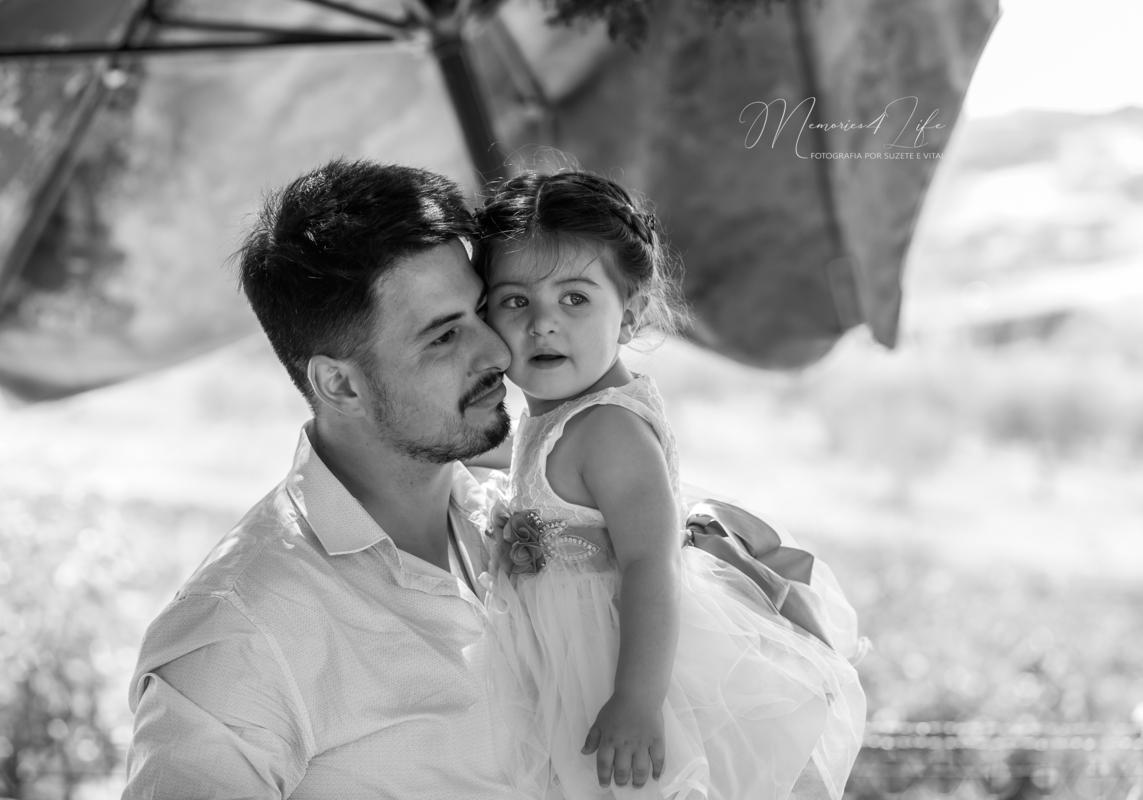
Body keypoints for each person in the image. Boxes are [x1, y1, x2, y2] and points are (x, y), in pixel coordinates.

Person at [121, 158, 524, 798]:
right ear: (340, 384)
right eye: (445, 337)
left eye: (480, 309)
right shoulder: (242, 631)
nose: (498, 352)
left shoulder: (514, 509)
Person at [475, 170, 867, 800]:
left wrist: (636, 699)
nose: (543, 323)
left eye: (574, 299)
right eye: (515, 301)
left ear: (629, 316)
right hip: (565, 655)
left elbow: (649, 563)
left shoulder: (608, 430)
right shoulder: (555, 416)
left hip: (619, 662)